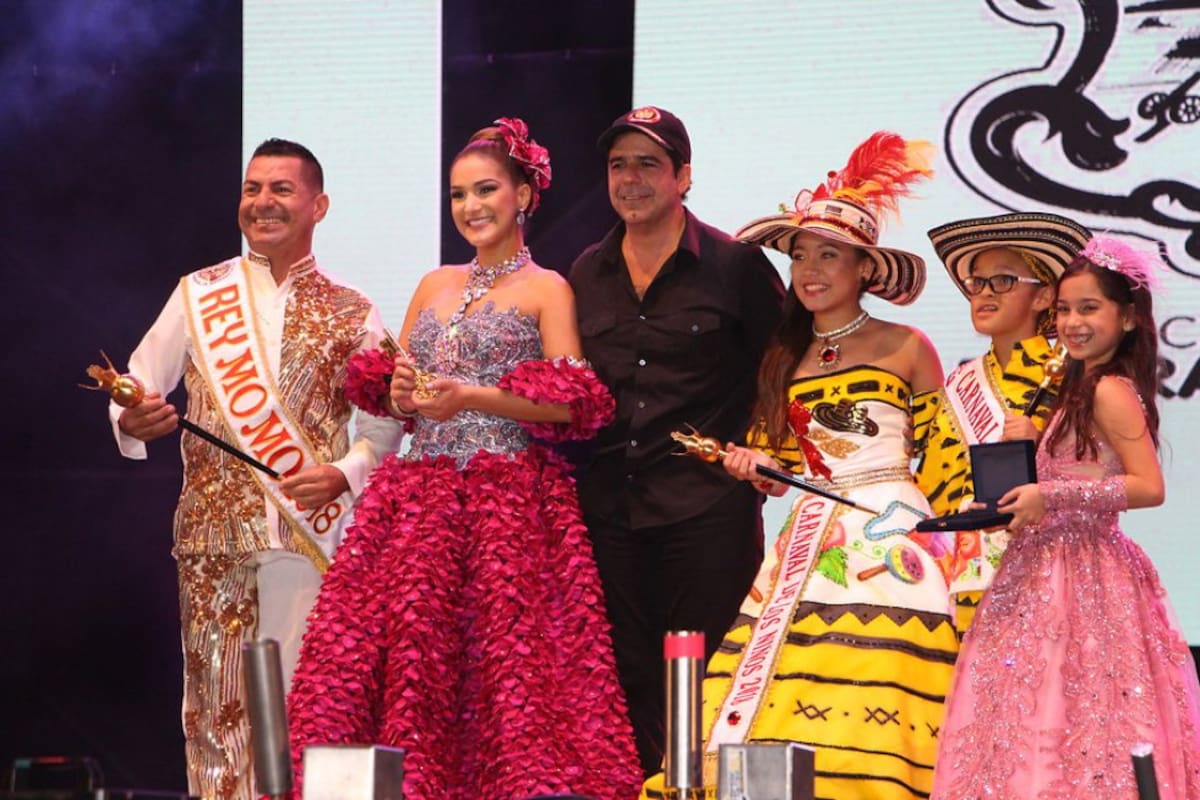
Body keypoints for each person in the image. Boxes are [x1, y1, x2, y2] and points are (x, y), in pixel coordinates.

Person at [286, 118, 642, 800]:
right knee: (409, 665)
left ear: (524, 197)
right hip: (418, 503)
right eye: (458, 195)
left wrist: (477, 396)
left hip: (508, 503)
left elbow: (575, 405)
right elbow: (404, 382)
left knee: (508, 676)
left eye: (486, 190)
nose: (471, 207)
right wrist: (399, 390)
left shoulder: (547, 289)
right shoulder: (432, 283)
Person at [645, 132, 958, 800]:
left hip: (897, 532)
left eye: (830, 255)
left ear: (865, 269)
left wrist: (950, 550)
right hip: (812, 532)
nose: (810, 269)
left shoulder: (907, 346)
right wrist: (752, 462)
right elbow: (781, 461)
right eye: (800, 256)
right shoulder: (784, 359)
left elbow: (947, 458)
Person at [110, 138, 405, 800]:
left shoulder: (353, 309)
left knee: (313, 714)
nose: (262, 202)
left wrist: (344, 474)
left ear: (318, 205)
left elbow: (386, 423)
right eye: (252, 188)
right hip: (213, 542)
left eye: (281, 189)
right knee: (217, 718)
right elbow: (136, 386)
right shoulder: (199, 293)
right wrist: (134, 421)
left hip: (309, 541)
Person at [932, 237, 1200, 798]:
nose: (1072, 323)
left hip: (1083, 570)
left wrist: (1049, 497)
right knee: (1030, 711)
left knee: (1075, 711)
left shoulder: (1107, 389)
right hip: (1044, 566)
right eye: (1062, 310)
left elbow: (1149, 487)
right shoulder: (1073, 386)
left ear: (1127, 318)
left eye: (1088, 309)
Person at [568, 105, 786, 775]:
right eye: (618, 165)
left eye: (648, 165)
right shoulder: (583, 270)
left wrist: (766, 450)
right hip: (610, 510)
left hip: (706, 510)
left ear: (683, 176)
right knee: (628, 678)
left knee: (709, 674)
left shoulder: (736, 266)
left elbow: (779, 370)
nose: (630, 179)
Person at [917, 212, 1091, 635]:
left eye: (1004, 281)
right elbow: (933, 480)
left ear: (1043, 296)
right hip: (957, 571)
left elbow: (1100, 474)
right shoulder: (960, 379)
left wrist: (1044, 447)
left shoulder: (1070, 375)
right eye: (977, 283)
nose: (984, 294)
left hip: (1040, 567)